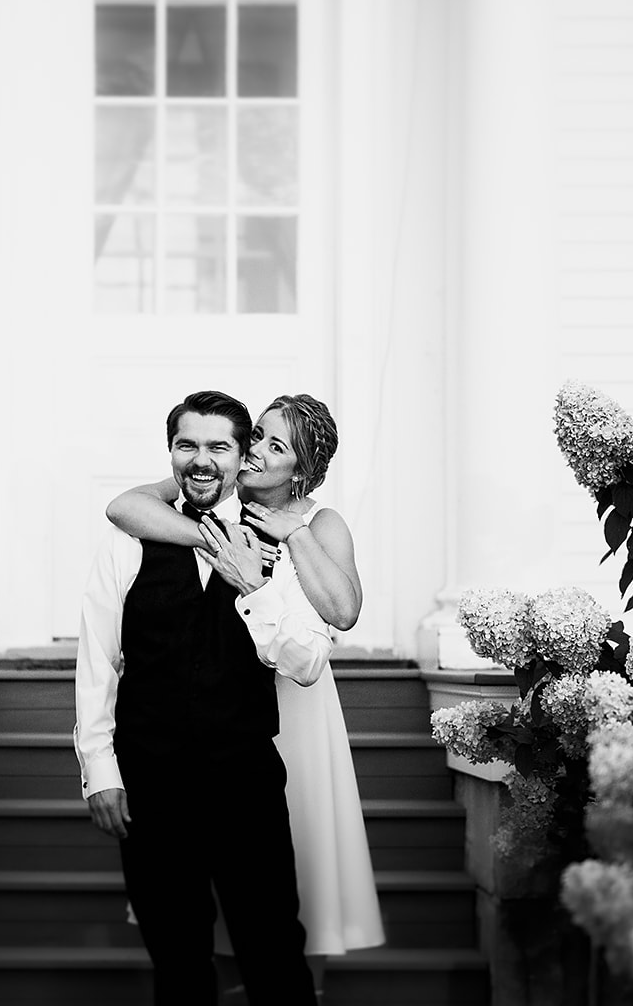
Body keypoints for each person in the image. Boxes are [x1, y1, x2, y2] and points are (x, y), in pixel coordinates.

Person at [106, 394, 386, 970]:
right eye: (256, 435)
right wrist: (213, 541)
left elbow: (343, 609)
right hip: (211, 711)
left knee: (283, 891)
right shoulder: (217, 497)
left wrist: (293, 533)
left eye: (275, 445)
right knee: (198, 902)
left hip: (291, 712)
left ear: (302, 471)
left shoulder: (320, 522)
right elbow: (125, 506)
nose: (255, 450)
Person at [74, 390, 319, 1006]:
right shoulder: (129, 539)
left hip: (245, 775)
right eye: (188, 445)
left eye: (219, 446)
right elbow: (98, 658)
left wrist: (254, 587)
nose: (201, 460)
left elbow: (307, 662)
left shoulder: (281, 540)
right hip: (150, 775)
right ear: (172, 454)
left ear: (244, 458)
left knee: (274, 952)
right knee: (177, 958)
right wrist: (99, 769)